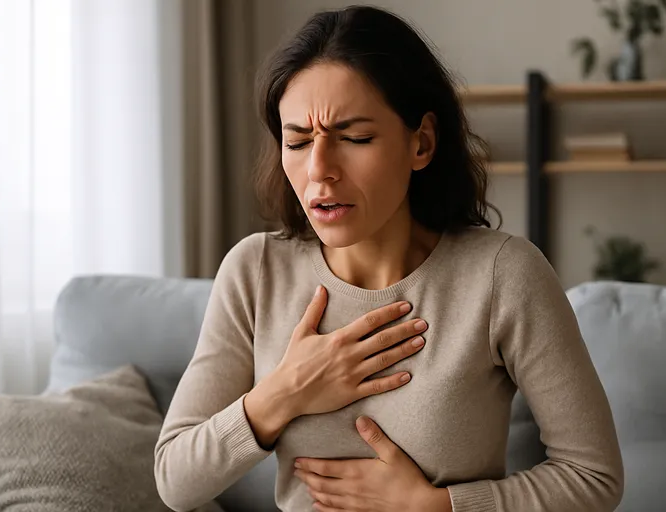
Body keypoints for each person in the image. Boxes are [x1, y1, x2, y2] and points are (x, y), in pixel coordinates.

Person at [155, 5, 624, 512]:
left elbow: (593, 476)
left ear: (420, 143)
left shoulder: (502, 275)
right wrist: (285, 392)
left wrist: (439, 508)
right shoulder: (255, 270)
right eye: (297, 141)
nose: (320, 170)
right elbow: (175, 481)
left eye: (355, 138)